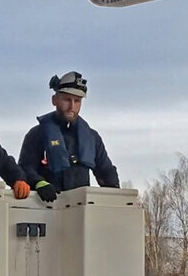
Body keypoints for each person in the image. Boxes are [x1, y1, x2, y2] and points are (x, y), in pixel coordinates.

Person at [18, 71, 119, 203]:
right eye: (67, 100)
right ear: (54, 100)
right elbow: (25, 168)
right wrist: (38, 182)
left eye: (77, 101)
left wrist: (117, 196)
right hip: (45, 206)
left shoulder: (92, 138)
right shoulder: (37, 134)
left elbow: (106, 171)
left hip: (80, 208)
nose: (72, 106)